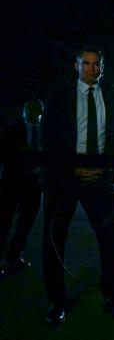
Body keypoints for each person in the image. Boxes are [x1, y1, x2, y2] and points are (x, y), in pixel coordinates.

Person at [41, 48, 114, 325]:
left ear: (102, 67)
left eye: (97, 64)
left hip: (100, 179)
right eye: (86, 64)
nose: (92, 69)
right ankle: (57, 303)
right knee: (54, 240)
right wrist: (71, 168)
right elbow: (49, 137)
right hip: (63, 178)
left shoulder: (113, 96)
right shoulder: (59, 97)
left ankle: (113, 298)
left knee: (110, 240)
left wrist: (104, 167)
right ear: (76, 66)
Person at [0, 99, 44, 276]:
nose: (29, 112)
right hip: (12, 181)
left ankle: (13, 257)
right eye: (27, 109)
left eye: (34, 109)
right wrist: (19, 153)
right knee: (4, 221)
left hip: (34, 183)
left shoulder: (46, 133)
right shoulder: (12, 131)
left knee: (26, 223)